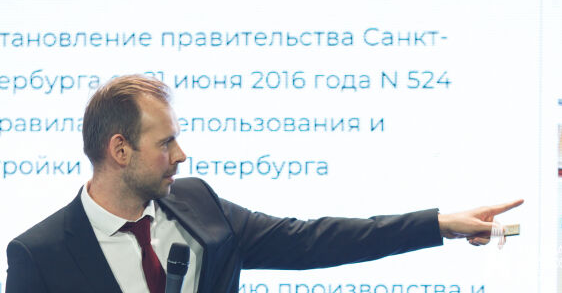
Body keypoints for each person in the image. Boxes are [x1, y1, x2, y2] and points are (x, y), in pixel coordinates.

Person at [5, 75, 523, 293]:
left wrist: (438, 225)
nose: (181, 155)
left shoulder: (198, 204)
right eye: (165, 143)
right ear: (120, 151)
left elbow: (314, 240)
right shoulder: (39, 254)